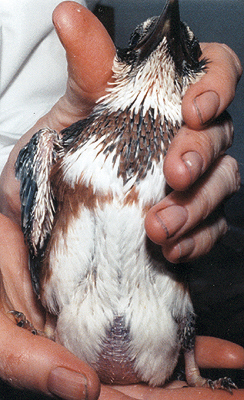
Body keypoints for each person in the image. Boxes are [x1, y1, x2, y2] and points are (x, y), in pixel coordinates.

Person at [0, 1, 243, 399]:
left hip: (157, 342)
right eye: (138, 43)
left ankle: (194, 368)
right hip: (68, 331)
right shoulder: (58, 150)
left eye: (184, 54)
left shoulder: (182, 168)